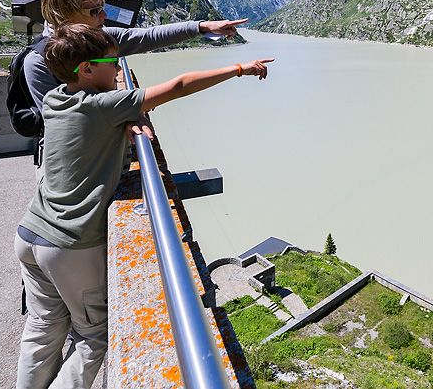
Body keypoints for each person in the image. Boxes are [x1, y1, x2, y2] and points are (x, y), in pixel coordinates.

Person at [14, 23, 273, 389]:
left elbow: (89, 129)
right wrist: (239, 68)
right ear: (86, 70)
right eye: (112, 61)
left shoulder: (57, 98)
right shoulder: (105, 106)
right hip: (68, 244)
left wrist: (123, 120)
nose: (120, 70)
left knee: (42, 327)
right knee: (94, 337)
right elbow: (179, 85)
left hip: (29, 232)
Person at [25, 0, 247, 113]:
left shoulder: (100, 37)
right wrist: (124, 116)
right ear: (64, 15)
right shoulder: (39, 62)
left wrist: (203, 26)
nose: (103, 17)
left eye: (102, 8)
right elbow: (57, 122)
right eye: (94, 11)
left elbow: (148, 36)